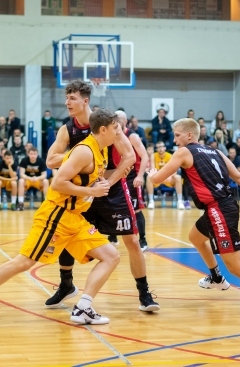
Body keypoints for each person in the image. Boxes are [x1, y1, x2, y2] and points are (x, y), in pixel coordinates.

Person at [0, 109, 121, 328]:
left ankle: (83, 308)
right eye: (116, 127)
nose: (120, 131)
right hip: (56, 216)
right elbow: (58, 183)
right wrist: (92, 192)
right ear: (104, 129)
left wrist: (99, 184)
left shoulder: (102, 150)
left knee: (111, 256)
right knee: (23, 262)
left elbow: (85, 180)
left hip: (75, 218)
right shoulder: (85, 151)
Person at [147, 117, 240, 317]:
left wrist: (151, 173)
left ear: (189, 135)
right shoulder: (215, 151)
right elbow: (239, 177)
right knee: (195, 237)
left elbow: (156, 179)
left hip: (219, 210)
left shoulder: (183, 152)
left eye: (177, 135)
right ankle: (216, 277)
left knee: (236, 266)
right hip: (223, 206)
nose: (174, 140)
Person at [44, 82, 156, 312]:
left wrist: (108, 182)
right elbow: (50, 160)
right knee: (67, 235)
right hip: (83, 193)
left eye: (72, 98)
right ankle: (66, 285)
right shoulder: (67, 130)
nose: (67, 103)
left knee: (132, 241)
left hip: (111, 190)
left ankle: (144, 293)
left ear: (85, 101)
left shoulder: (105, 122)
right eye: (66, 98)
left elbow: (129, 156)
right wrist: (77, 157)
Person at [114, 111, 151, 251]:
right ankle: (112, 236)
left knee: (135, 210)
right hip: (118, 176)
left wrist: (140, 176)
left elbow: (145, 156)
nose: (115, 122)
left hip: (132, 177)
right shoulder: (113, 136)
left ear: (124, 122)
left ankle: (143, 240)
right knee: (114, 207)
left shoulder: (132, 136)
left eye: (118, 120)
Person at [146, 141, 184, 210]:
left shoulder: (170, 156)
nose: (160, 149)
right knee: (149, 177)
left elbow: (174, 170)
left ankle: (180, 201)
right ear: (156, 149)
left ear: (165, 148)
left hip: (168, 179)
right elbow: (153, 170)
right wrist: (162, 177)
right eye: (158, 147)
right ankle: (151, 201)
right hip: (157, 179)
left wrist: (168, 176)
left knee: (178, 177)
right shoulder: (153, 156)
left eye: (161, 147)